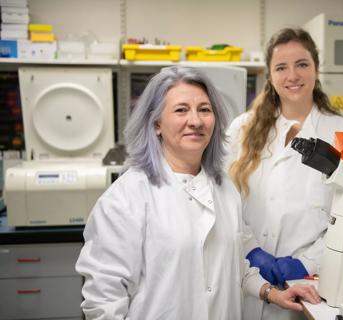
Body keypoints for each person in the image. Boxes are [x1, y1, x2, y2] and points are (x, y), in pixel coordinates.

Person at [75, 66, 321, 320]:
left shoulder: (225, 189)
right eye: (181, 110)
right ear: (157, 123)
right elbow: (103, 300)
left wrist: (271, 292)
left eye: (204, 109)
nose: (195, 121)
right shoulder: (127, 197)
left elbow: (235, 265)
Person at [227, 28, 343, 320]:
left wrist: (306, 263)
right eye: (281, 67)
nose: (292, 75)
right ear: (269, 75)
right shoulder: (241, 130)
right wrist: (251, 250)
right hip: (246, 280)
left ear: (316, 69)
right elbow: (222, 202)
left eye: (302, 64)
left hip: (309, 285)